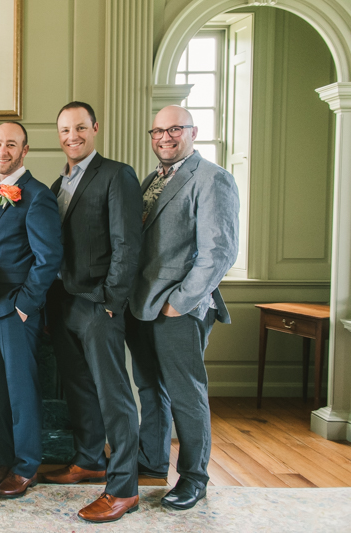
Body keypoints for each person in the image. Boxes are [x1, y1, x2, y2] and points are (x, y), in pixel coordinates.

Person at [127, 105, 239, 510]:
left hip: (179, 308)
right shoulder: (149, 180)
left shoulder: (212, 179)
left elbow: (219, 252)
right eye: (157, 131)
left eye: (174, 129)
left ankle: (194, 477)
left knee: (185, 393)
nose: (165, 137)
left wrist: (179, 303)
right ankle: (151, 459)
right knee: (150, 388)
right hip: (141, 306)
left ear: (194, 131)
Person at [43, 102, 142, 522]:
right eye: (65, 130)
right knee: (80, 387)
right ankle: (88, 459)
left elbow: (127, 244)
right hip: (63, 302)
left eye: (80, 128)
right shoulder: (56, 184)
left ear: (95, 128)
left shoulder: (116, 175)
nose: (72, 136)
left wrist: (109, 303)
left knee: (113, 394)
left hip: (98, 305)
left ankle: (123, 488)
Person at [0, 122, 63, 498]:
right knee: (0, 391)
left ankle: (27, 465)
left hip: (16, 311)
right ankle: (6, 457)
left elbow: (49, 259)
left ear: (25, 150)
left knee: (22, 391)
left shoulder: (37, 195)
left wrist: (25, 307)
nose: (2, 150)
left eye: (11, 144)